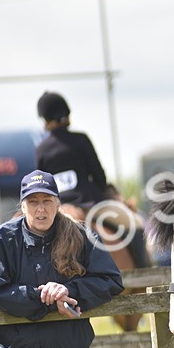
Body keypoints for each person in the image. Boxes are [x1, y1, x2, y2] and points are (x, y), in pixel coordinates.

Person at [0, 170, 124, 348]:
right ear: (23, 206)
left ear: (57, 204)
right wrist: (44, 297)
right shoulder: (1, 240)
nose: (41, 209)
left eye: (47, 200)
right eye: (33, 202)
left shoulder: (81, 236)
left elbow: (111, 280)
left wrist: (69, 291)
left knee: (135, 233)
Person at [35, 91, 147, 264]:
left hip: (58, 208)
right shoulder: (80, 140)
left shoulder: (41, 148)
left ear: (45, 119)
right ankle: (145, 271)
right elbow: (99, 176)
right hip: (90, 204)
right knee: (135, 227)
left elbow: (42, 186)